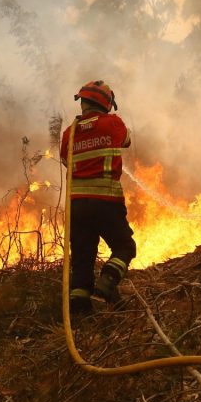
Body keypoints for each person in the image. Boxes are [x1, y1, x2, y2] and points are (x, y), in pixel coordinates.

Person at [60, 80, 136, 315]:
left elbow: (65, 160)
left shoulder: (69, 133)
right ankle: (107, 281)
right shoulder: (112, 123)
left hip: (77, 206)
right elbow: (126, 141)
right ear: (107, 104)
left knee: (82, 259)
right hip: (106, 202)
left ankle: (80, 311)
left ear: (82, 102)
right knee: (125, 246)